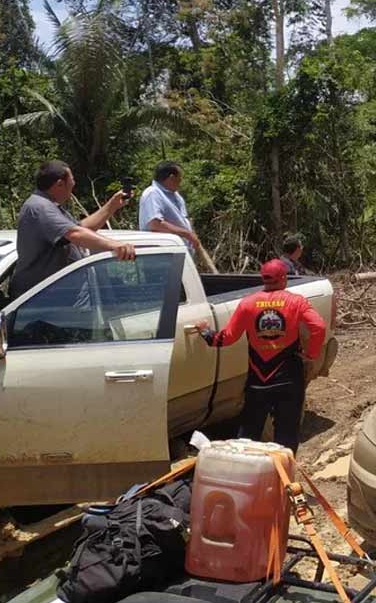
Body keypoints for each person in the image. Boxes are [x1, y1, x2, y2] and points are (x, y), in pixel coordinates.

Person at [194, 259, 325, 453]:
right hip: (288, 377)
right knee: (287, 436)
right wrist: (310, 355)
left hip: (258, 380)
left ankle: (247, 476)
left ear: (263, 279)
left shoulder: (248, 303)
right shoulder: (296, 302)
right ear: (284, 278)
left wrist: (205, 332)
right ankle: (284, 478)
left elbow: (226, 338)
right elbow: (319, 327)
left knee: (249, 435)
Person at [10, 160, 135, 298]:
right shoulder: (41, 207)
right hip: (48, 301)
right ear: (59, 184)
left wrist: (112, 205)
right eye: (72, 180)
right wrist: (116, 245)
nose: (74, 184)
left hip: (57, 298)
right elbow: (75, 234)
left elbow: (82, 228)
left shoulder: (48, 206)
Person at [138, 161, 201, 255]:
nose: (181, 181)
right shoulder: (153, 194)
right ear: (171, 178)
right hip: (162, 254)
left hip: (180, 252)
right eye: (180, 178)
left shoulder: (176, 196)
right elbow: (156, 224)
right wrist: (187, 234)